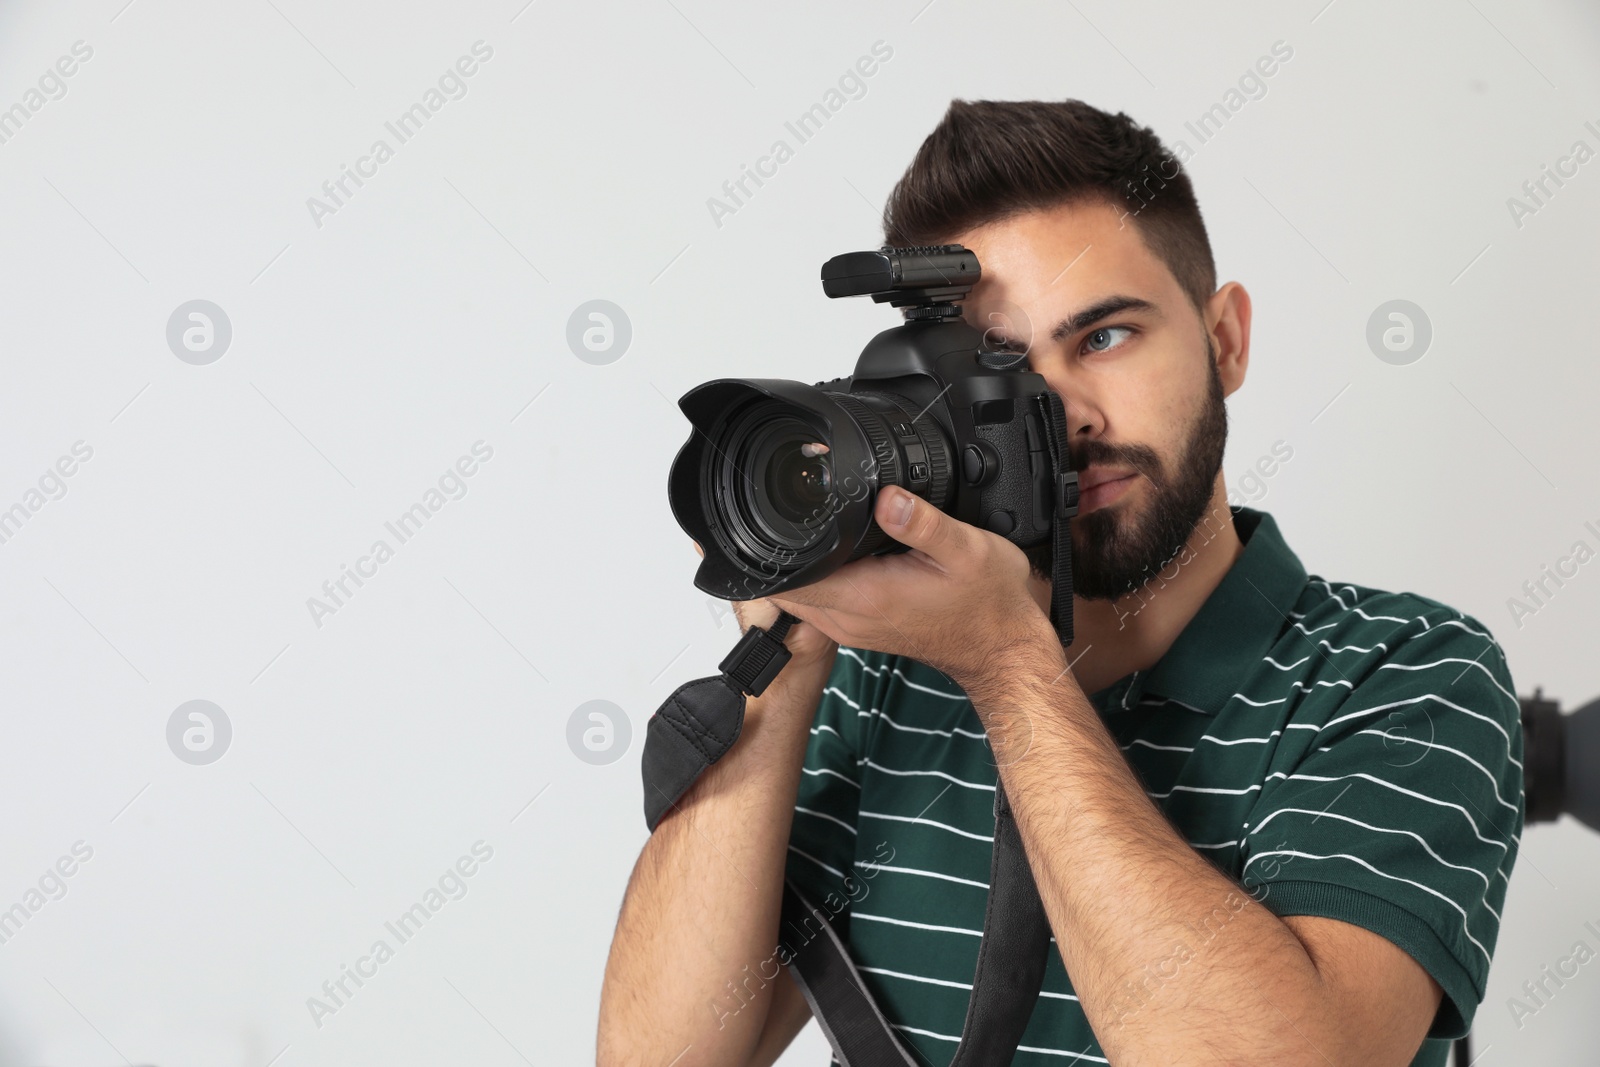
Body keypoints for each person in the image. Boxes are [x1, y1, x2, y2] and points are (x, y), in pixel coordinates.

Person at [597, 99, 1522, 1067]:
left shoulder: (1406, 677)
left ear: (1226, 340)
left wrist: (1008, 667)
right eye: (994, 373)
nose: (1061, 417)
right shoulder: (885, 675)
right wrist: (787, 657)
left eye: (1104, 338)